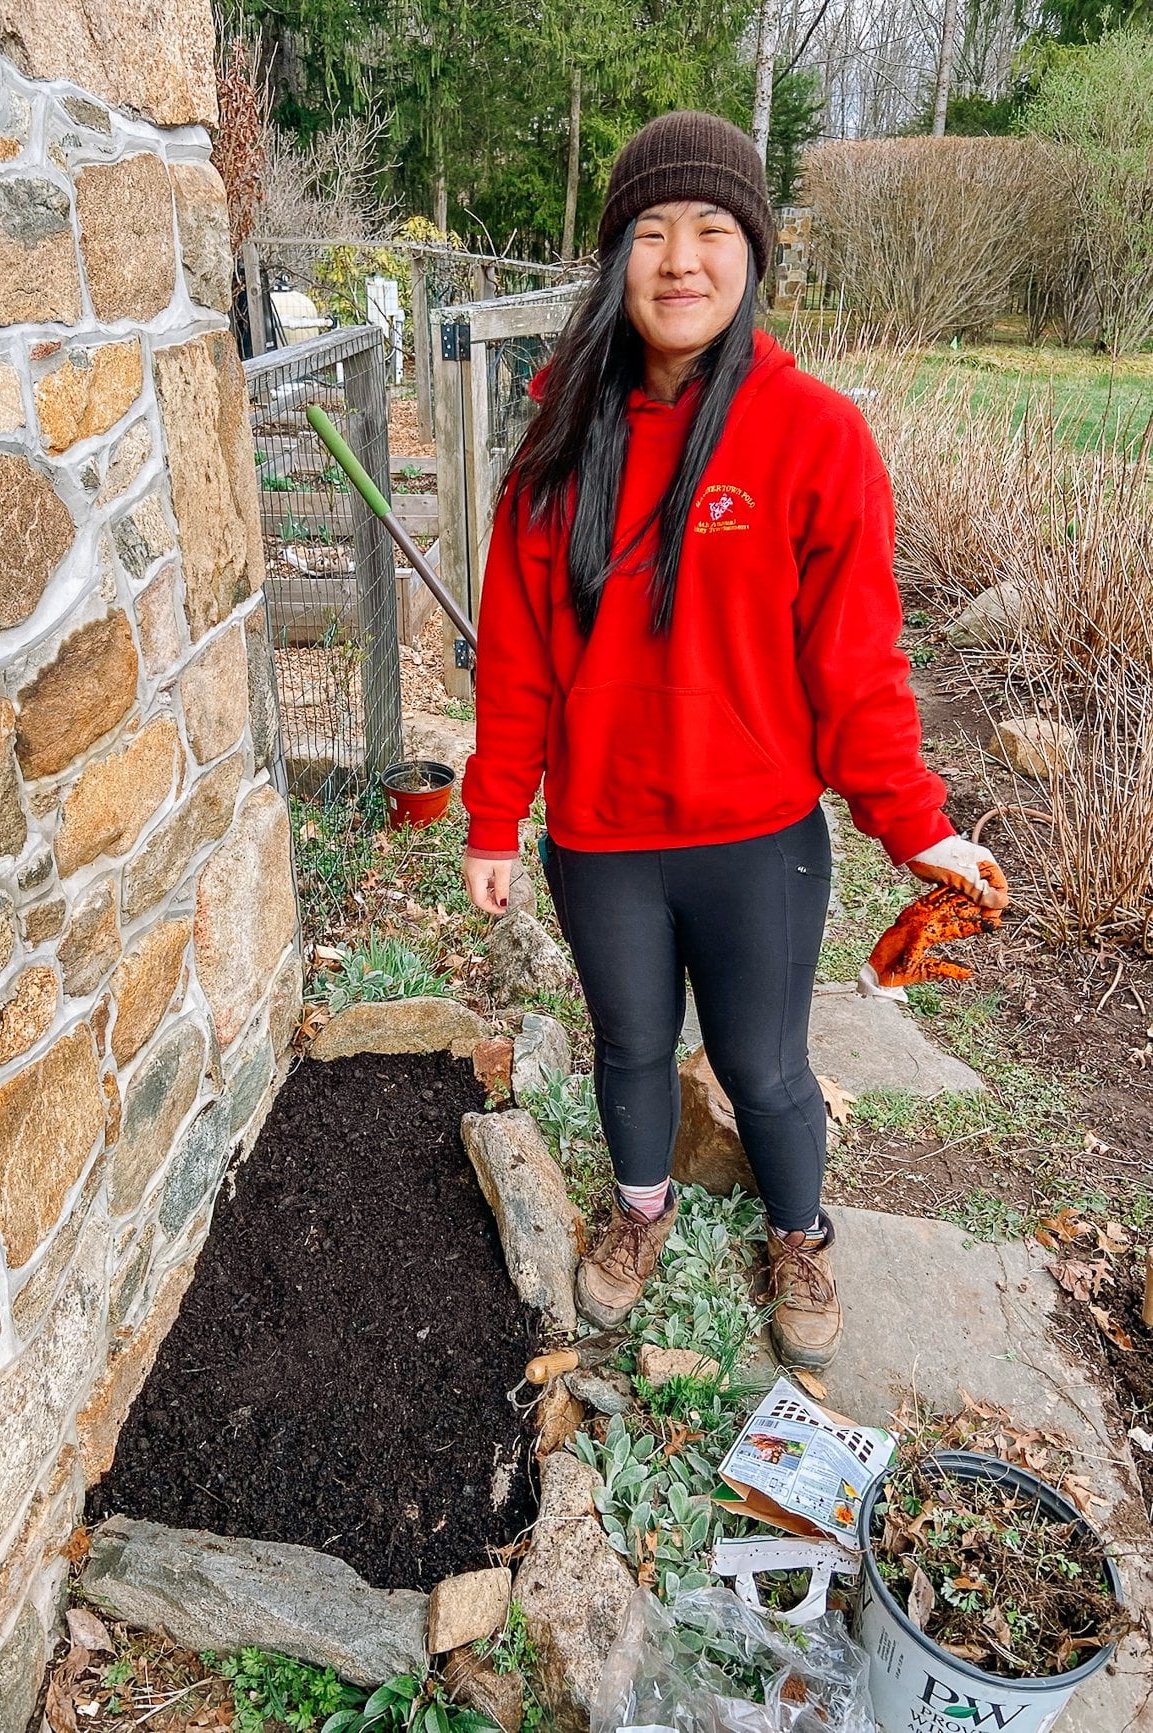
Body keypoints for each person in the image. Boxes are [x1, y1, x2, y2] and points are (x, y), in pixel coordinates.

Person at [459, 111, 1008, 1369]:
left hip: (757, 837)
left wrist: (914, 819)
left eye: (712, 230)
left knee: (765, 1068)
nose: (680, 259)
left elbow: (857, 662)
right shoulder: (554, 450)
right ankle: (638, 1210)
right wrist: (496, 815)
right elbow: (519, 656)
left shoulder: (812, 434)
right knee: (632, 1047)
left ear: (751, 256)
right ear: (616, 261)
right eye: (651, 231)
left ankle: (798, 1229)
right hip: (602, 836)